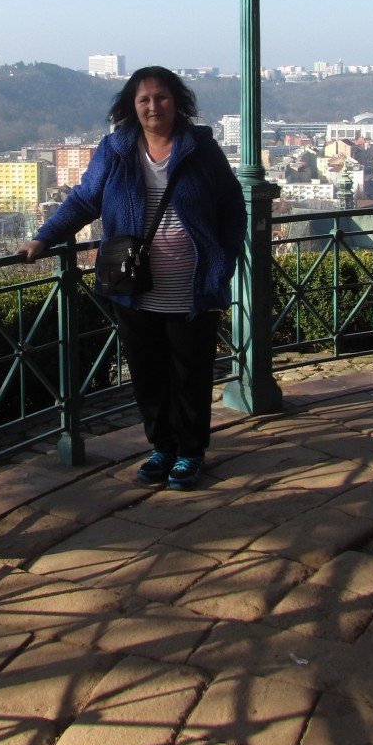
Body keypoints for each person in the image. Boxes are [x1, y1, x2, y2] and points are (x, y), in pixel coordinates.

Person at [18, 66, 246, 489]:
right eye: (144, 99)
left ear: (177, 102)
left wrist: (224, 258)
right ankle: (161, 447)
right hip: (134, 287)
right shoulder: (115, 149)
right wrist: (44, 238)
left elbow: (233, 206)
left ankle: (190, 452)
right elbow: (84, 199)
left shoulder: (200, 149)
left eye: (161, 97)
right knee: (147, 372)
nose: (153, 106)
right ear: (131, 106)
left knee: (190, 373)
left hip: (191, 287)